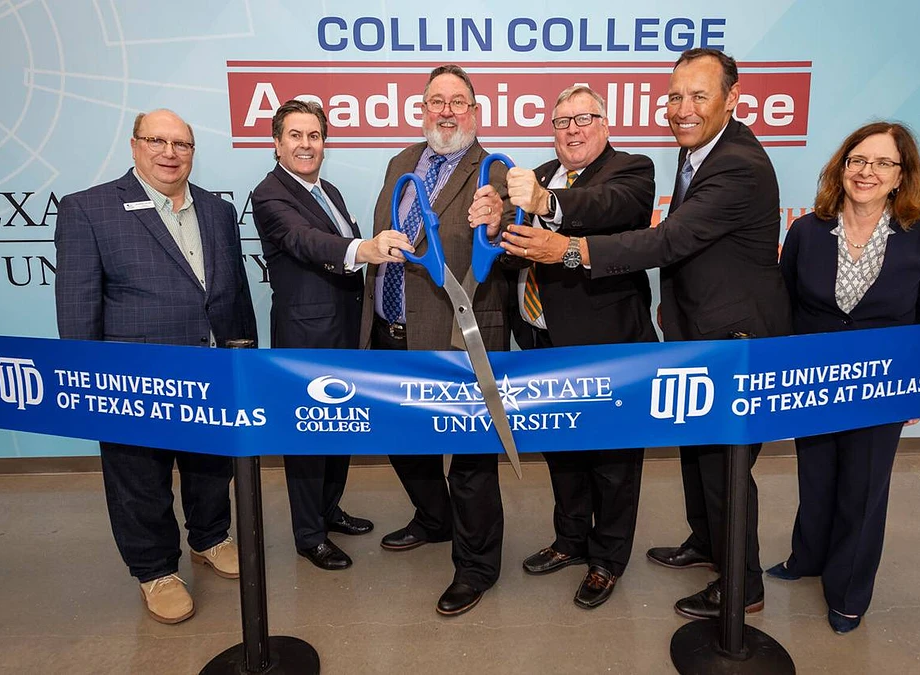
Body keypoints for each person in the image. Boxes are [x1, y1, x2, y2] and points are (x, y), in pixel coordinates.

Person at [501, 48, 791, 620]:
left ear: (732, 99)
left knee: (720, 466)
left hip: (731, 338)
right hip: (680, 332)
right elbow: (516, 247)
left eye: (698, 95)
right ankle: (704, 544)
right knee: (694, 456)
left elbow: (664, 239)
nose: (683, 108)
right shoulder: (697, 154)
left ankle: (742, 584)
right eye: (675, 96)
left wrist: (570, 246)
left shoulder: (727, 164)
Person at [55, 109, 257, 624]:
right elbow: (78, 306)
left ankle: (210, 539)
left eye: (182, 144)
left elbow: (232, 291)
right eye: (157, 141)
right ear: (134, 145)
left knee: (211, 468)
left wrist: (244, 357)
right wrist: (87, 379)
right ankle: (155, 571)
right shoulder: (89, 209)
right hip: (132, 379)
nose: (170, 153)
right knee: (139, 479)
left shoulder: (215, 210)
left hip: (212, 369)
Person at [767, 122, 920, 634]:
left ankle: (849, 592)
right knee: (817, 478)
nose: (867, 171)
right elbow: (785, 308)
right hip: (814, 382)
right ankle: (807, 557)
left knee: (863, 489)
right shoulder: (806, 230)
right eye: (857, 160)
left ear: (901, 176)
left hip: (885, 386)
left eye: (882, 163)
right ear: (841, 167)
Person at [491, 84, 657, 609]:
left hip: (609, 344)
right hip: (541, 337)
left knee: (612, 459)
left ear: (605, 124)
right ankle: (569, 541)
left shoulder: (632, 169)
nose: (573, 129)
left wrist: (546, 204)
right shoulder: (539, 174)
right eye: (562, 121)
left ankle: (606, 559)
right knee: (561, 448)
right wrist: (498, 230)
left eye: (584, 118)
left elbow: (604, 208)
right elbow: (518, 253)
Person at [358, 64, 513, 616]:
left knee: (471, 461)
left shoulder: (494, 170)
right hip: (390, 332)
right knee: (404, 440)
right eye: (434, 101)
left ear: (475, 111)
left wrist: (498, 222)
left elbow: (508, 231)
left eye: (457, 102)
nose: (445, 111)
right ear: (422, 109)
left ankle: (476, 567)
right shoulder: (402, 162)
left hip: (457, 334)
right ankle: (433, 518)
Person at [252, 99, 412, 571]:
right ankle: (308, 534)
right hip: (306, 338)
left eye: (314, 136)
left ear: (324, 143)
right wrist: (365, 247)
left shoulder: (330, 192)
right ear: (277, 143)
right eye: (296, 136)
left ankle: (329, 509)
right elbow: (307, 242)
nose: (306, 145)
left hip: (347, 331)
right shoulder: (270, 194)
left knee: (339, 425)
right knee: (306, 436)